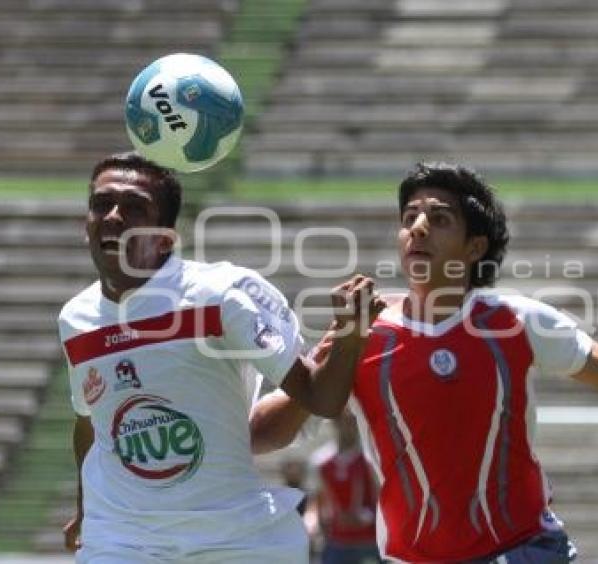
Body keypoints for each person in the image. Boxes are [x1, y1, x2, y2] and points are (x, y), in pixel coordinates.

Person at [255, 162, 598, 563]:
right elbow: (275, 428)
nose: (417, 228)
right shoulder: (361, 330)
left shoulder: (516, 321)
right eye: (409, 217)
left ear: (475, 249)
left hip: (527, 551)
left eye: (439, 218)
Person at [57, 152, 383, 563]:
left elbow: (321, 398)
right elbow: (89, 422)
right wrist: (86, 508)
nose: (113, 216)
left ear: (165, 237)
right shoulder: (76, 319)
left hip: (232, 539)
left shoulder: (221, 296)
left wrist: (350, 337)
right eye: (101, 204)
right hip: (122, 541)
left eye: (135, 207)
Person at [310, 410, 380, 564]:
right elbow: (320, 501)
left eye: (352, 421)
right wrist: (321, 531)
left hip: (368, 541)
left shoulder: (369, 459)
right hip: (337, 541)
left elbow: (379, 498)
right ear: (334, 423)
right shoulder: (322, 462)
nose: (347, 426)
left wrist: (368, 516)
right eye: (342, 420)